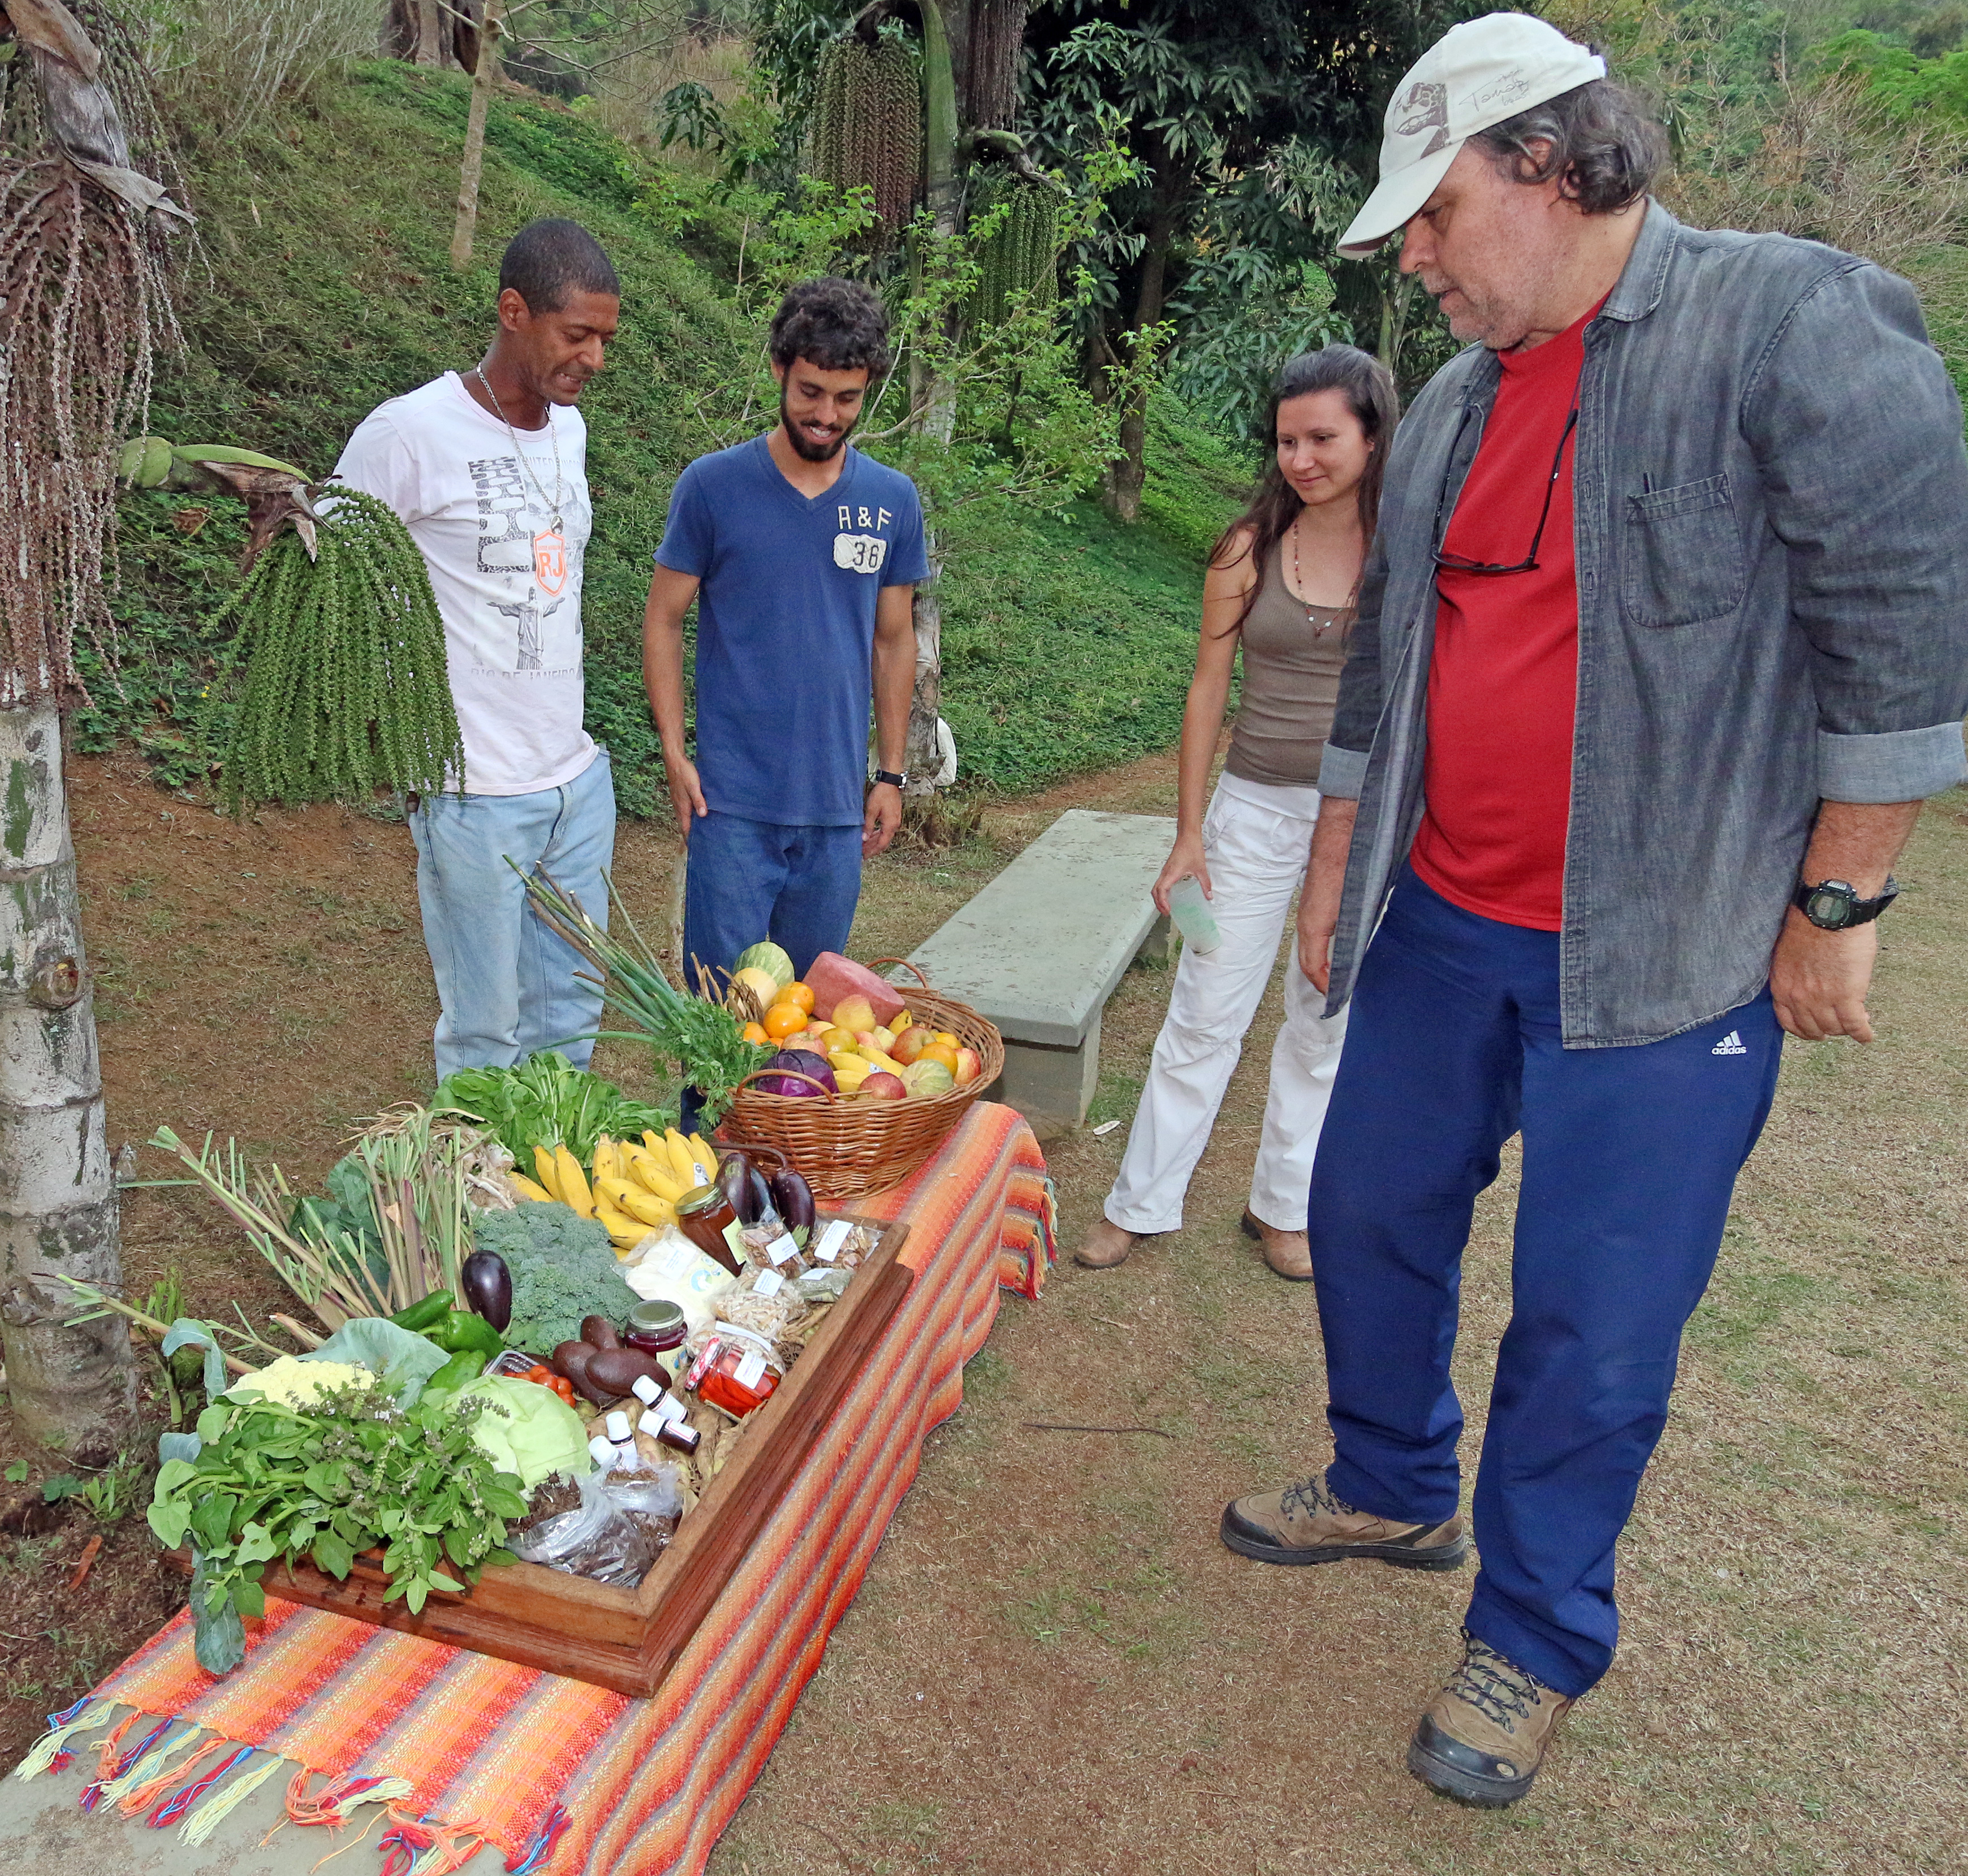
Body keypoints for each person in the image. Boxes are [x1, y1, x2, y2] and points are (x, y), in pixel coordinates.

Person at [1219, 11, 1968, 1810]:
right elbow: (1388, 662)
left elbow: (1901, 616)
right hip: (1441, 915)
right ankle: (1393, 1475)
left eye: (1435, 210)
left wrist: (1839, 888)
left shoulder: (1785, 322)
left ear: (1550, 170)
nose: (1413, 252)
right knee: (1364, 1202)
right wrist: (1337, 856)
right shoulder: (1462, 399)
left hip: (1662, 946)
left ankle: (1535, 1628)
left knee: (1589, 1304)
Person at [1076, 347, 1396, 1281]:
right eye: (1288, 439)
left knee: (1323, 1015)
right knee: (1207, 1008)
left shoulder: (1404, 553)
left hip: (1361, 820)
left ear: (1373, 437)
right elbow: (1207, 692)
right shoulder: (1245, 548)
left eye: (1324, 437)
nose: (1302, 456)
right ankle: (1140, 1200)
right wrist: (1187, 833)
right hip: (1251, 811)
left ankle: (1283, 1206)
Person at [336, 218, 622, 1080]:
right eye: (578, 335)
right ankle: (477, 1203)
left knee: (571, 1012)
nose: (595, 359)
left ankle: (552, 1193)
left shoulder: (567, 431)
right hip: (473, 791)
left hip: (574, 782)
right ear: (512, 311)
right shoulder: (409, 433)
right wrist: (397, 714)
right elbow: (336, 581)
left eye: (606, 339)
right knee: (485, 1032)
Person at [644, 279, 928, 1002]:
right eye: (810, 392)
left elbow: (894, 642)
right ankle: (701, 1127)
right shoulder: (712, 488)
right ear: (778, 368)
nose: (827, 415)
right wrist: (676, 754)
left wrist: (889, 775)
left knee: (809, 1027)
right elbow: (664, 619)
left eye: (847, 398)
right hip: (731, 807)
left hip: (835, 813)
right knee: (723, 1023)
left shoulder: (892, 500)